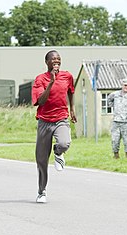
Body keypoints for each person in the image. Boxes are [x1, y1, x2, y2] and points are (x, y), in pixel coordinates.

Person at [31, 50, 77, 203]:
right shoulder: (40, 79)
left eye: (58, 59)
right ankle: (41, 191)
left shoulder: (67, 76)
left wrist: (72, 109)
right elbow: (41, 101)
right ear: (47, 62)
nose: (56, 61)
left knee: (64, 143)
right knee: (41, 160)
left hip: (61, 119)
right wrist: (51, 81)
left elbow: (71, 91)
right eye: (53, 59)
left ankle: (58, 153)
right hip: (44, 121)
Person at [108, 78, 127, 159]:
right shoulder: (115, 94)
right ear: (122, 85)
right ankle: (116, 154)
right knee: (115, 139)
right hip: (116, 121)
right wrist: (113, 107)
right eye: (125, 85)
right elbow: (109, 100)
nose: (126, 87)